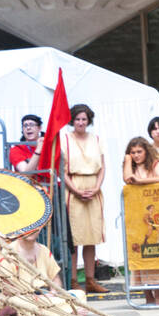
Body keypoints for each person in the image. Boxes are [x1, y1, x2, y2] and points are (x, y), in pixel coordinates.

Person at [60, 103, 107, 295]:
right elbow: (63, 171)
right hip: (74, 189)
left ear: (89, 121)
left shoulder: (96, 139)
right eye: (78, 119)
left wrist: (96, 187)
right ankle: (73, 280)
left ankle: (90, 279)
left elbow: (103, 166)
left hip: (94, 188)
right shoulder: (65, 139)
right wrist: (76, 191)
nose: (81, 122)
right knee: (75, 238)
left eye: (84, 119)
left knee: (91, 236)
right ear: (73, 120)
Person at [123, 136, 159, 305]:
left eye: (139, 152)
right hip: (137, 215)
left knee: (156, 253)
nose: (136, 155)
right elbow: (128, 178)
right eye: (133, 152)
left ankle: (158, 294)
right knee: (140, 253)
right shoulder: (130, 165)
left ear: (146, 151)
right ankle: (147, 295)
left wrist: (141, 181)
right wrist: (127, 160)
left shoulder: (155, 164)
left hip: (155, 212)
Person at [9, 113, 53, 186]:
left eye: (32, 125)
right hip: (28, 189)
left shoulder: (49, 147)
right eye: (25, 125)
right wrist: (38, 150)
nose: (28, 128)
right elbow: (26, 174)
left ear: (39, 128)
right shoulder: (16, 149)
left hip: (50, 189)